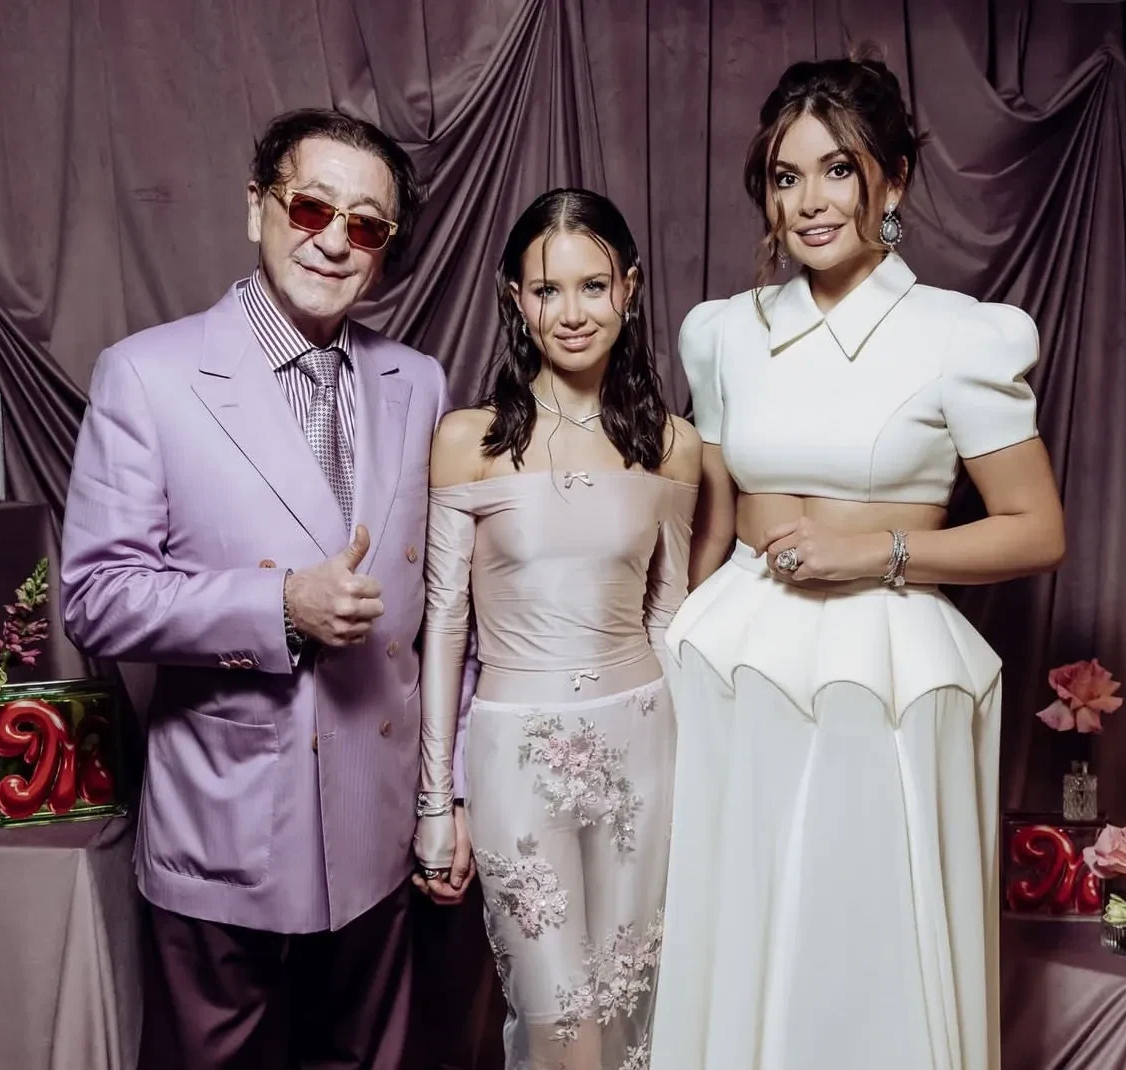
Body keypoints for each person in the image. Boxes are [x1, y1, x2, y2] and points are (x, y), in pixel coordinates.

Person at [649, 53, 1066, 1070]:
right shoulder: (722, 333)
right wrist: (675, 628)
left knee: (859, 934)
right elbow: (712, 517)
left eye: (838, 170)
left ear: (895, 179)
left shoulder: (963, 336)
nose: (810, 202)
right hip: (738, 650)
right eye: (786, 177)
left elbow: (1035, 528)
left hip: (883, 660)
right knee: (738, 916)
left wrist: (877, 551)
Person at [61, 107, 458, 1070]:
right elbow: (96, 596)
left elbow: (450, 610)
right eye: (311, 207)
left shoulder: (418, 381)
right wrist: (277, 607)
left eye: (366, 225)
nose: (334, 240)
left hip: (377, 824)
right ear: (257, 207)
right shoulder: (148, 375)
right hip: (229, 817)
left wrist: (444, 798)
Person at [412, 188, 701, 1070]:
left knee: (627, 1012)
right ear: (516, 298)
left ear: (630, 288)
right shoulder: (467, 441)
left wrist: (703, 779)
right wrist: (437, 801)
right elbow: (444, 626)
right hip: (516, 753)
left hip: (644, 742)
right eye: (546, 290)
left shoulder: (673, 446)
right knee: (561, 1022)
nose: (571, 313)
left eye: (593, 286)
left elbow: (669, 615)